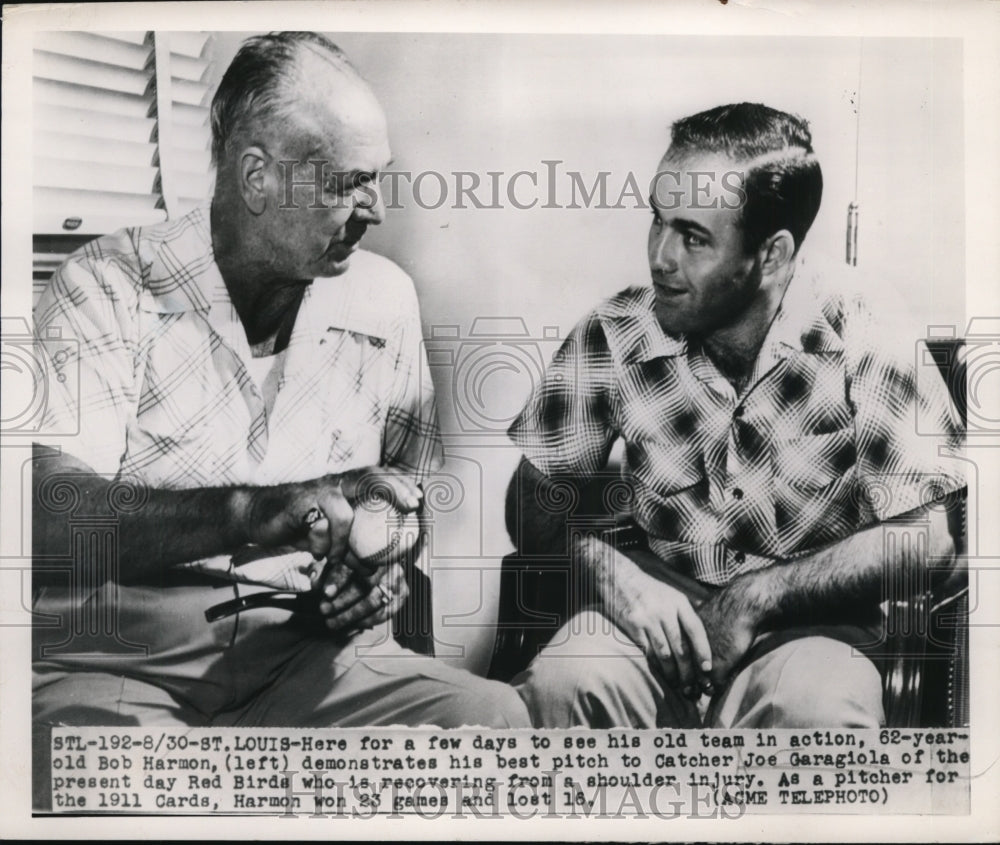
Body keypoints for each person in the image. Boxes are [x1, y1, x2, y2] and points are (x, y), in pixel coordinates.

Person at [31, 31, 529, 807]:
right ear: (256, 176)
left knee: (492, 719)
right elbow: (51, 520)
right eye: (349, 182)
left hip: (302, 654)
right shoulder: (105, 285)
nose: (376, 208)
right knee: (122, 785)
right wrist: (254, 511)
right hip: (121, 661)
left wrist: (380, 570)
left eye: (378, 178)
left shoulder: (383, 300)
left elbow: (402, 494)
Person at [507, 103, 964, 729]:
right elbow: (532, 505)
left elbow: (927, 541)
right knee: (564, 683)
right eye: (657, 221)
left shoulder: (870, 333)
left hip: (810, 632)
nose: (660, 257)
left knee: (816, 715)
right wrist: (608, 572)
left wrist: (755, 600)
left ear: (771, 255)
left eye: (693, 236)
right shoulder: (614, 332)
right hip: (655, 617)